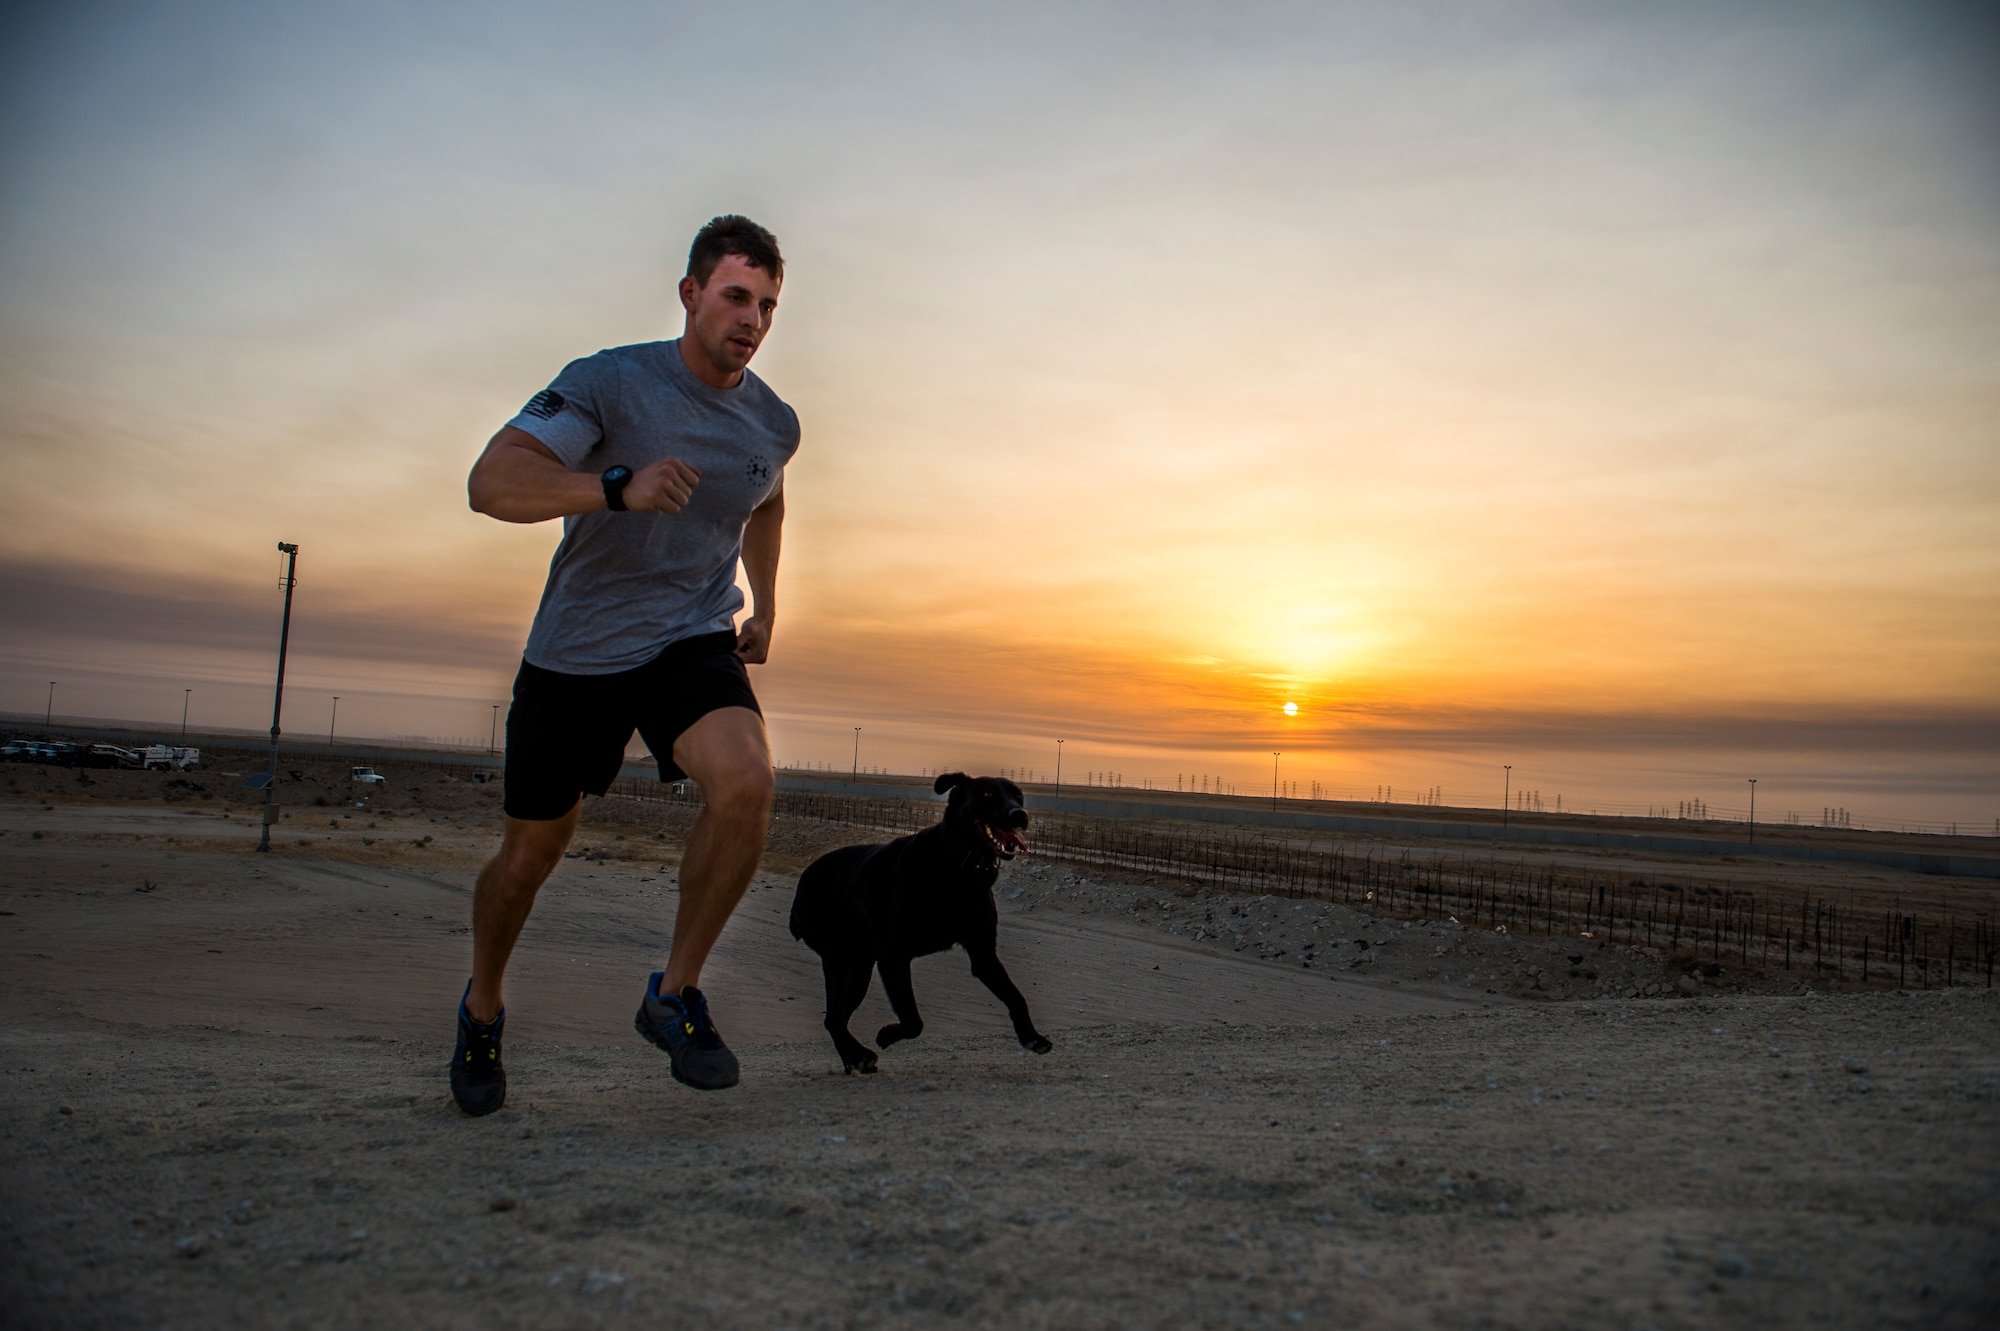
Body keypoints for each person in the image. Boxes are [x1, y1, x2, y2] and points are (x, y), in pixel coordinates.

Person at [451, 215, 797, 1116]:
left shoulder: (774, 420)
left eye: (767, 304)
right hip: (579, 653)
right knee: (528, 858)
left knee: (749, 781)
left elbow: (767, 499)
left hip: (690, 637)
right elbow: (492, 481)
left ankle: (673, 992)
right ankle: (483, 1002)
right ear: (690, 294)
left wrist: (764, 601)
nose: (752, 318)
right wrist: (615, 487)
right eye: (735, 296)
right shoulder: (607, 381)